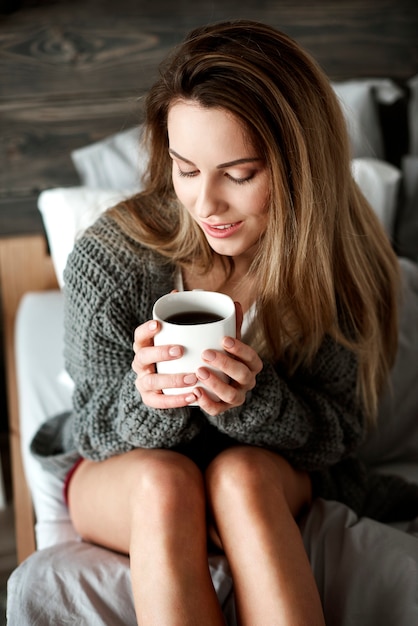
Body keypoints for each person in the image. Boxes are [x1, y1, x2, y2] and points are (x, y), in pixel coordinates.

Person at [30, 19, 414, 626]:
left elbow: (338, 432)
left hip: (266, 473)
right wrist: (145, 399)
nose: (206, 204)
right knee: (167, 485)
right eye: (186, 169)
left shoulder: (342, 263)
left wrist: (252, 401)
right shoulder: (112, 258)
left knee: (240, 476)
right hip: (125, 471)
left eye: (238, 175)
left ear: (299, 167)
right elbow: (93, 431)